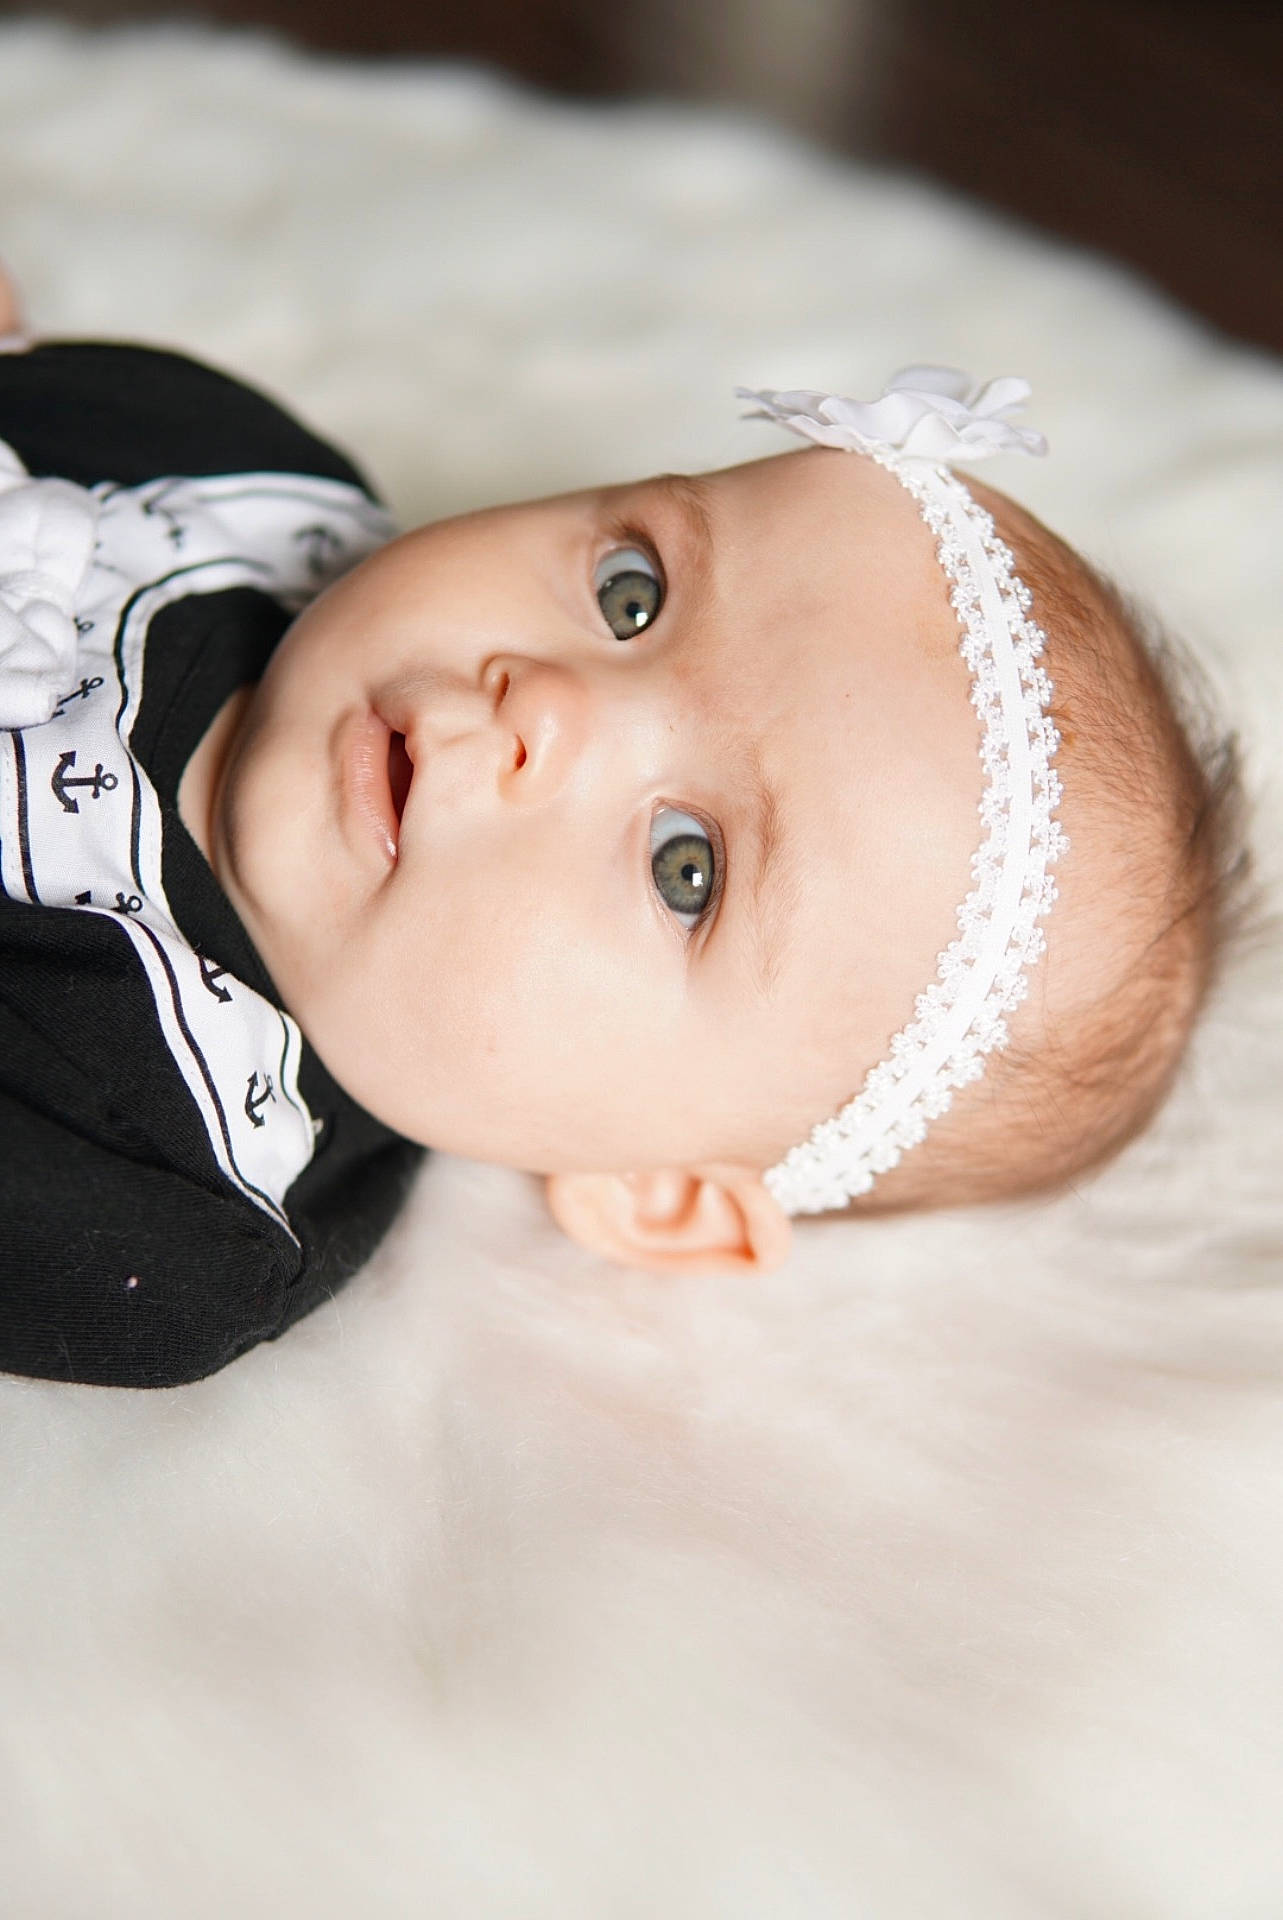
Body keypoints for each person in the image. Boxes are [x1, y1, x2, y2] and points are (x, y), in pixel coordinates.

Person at [0, 268, 1245, 1386]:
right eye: (630, 592)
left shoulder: (169, 1206)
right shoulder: (247, 482)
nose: (551, 705)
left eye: (685, 869)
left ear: (658, 1196)